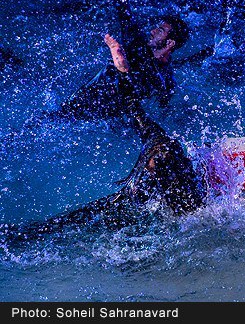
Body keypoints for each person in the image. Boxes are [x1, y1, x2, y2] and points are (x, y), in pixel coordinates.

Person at [2, 100, 208, 244]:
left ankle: (15, 236)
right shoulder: (191, 183)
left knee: (59, 226)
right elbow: (140, 118)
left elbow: (142, 120)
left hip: (115, 210)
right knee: (62, 227)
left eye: (148, 164)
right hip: (119, 211)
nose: (145, 167)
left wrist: (127, 86)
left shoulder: (160, 184)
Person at [46, 0, 190, 123]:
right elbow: (120, 1)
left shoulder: (165, 78)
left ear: (170, 43)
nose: (152, 31)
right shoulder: (136, 42)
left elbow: (159, 105)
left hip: (106, 120)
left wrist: (145, 65)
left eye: (159, 31)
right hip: (79, 107)